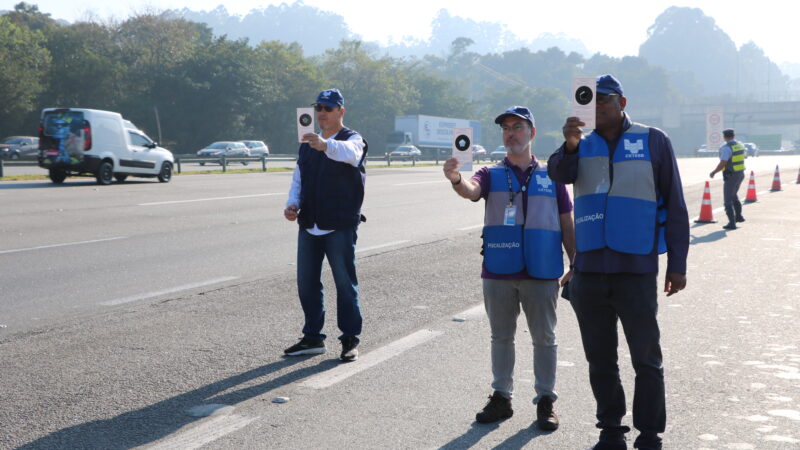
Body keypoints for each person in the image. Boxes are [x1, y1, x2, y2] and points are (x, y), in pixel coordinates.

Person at [548, 74, 689, 450]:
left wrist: (678, 264)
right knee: (600, 360)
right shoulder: (579, 145)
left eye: (603, 101)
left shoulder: (653, 140)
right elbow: (557, 174)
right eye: (588, 101)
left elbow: (675, 204)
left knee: (646, 358)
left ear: (622, 103)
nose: (595, 108)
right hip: (590, 272)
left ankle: (649, 434)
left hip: (636, 271)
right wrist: (570, 143)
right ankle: (611, 428)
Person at [443, 106, 575, 431]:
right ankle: (501, 397)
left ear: (531, 132)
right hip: (499, 269)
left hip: (542, 270)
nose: (510, 133)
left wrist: (577, 261)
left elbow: (565, 220)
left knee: (545, 337)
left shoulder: (552, 174)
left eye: (517, 127)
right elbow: (471, 190)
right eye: (506, 128)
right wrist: (456, 178)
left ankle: (546, 401)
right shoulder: (490, 173)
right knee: (501, 336)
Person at [283, 88, 368, 362]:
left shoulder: (353, 140)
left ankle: (350, 339)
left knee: (345, 284)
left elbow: (351, 154)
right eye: (319, 107)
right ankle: (313, 338)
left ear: (341, 112)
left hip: (340, 224)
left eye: (328, 108)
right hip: (309, 223)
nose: (321, 113)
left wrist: (325, 144)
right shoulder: (306, 142)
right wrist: (292, 203)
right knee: (306, 283)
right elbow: (299, 176)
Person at [709, 129, 745, 230]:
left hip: (731, 175)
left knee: (727, 200)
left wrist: (714, 172)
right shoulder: (740, 145)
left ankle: (732, 223)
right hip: (740, 173)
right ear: (734, 135)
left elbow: (723, 163)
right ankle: (739, 216)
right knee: (734, 195)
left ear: (724, 137)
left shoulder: (726, 148)